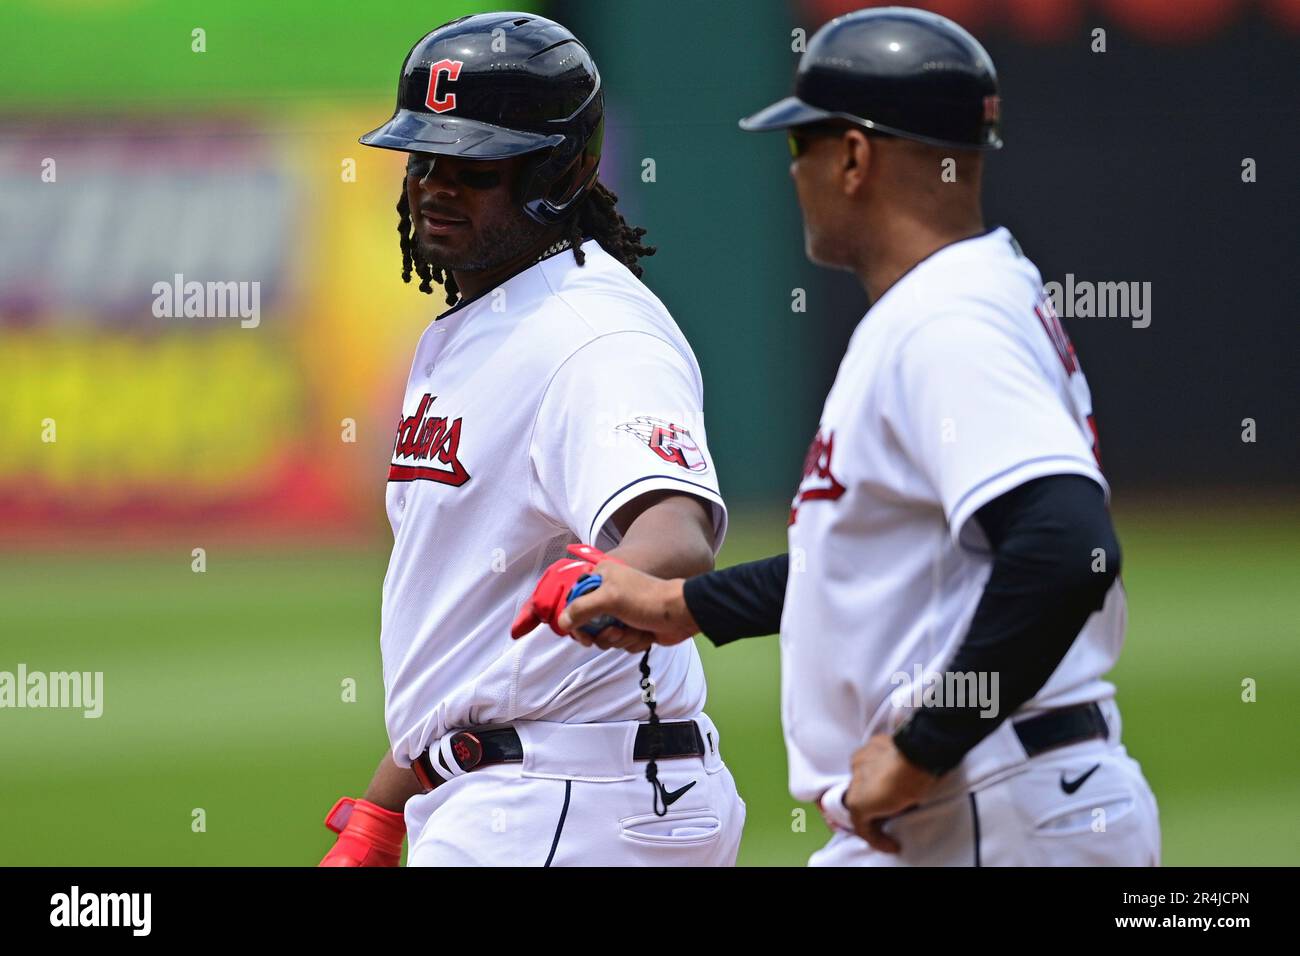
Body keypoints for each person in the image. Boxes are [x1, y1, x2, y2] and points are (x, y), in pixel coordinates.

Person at [554, 6, 1159, 867]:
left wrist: (924, 747)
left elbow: (1066, 546)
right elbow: (882, 563)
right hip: (987, 802)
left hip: (989, 804)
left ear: (853, 157)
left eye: (802, 145)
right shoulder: (963, 296)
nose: (792, 170)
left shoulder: (947, 317)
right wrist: (680, 606)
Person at [317, 12, 744, 867]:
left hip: (572, 801)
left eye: (474, 163)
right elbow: (466, 641)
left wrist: (611, 574)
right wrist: (382, 809)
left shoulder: (593, 332)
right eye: (423, 156)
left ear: (559, 168)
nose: (437, 183)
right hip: (520, 793)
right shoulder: (478, 324)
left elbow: (677, 532)